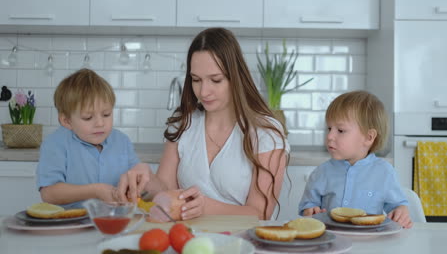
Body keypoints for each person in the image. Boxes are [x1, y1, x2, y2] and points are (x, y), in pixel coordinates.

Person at [117, 27, 290, 220]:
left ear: (236, 77)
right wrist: (146, 178)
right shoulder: (184, 124)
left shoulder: (266, 133)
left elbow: (260, 213)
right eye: (196, 80)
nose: (204, 91)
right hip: (189, 242)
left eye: (215, 80)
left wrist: (204, 206)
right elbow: (166, 191)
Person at [298, 90, 413, 228]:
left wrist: (401, 211)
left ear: (368, 137)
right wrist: (310, 211)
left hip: (370, 244)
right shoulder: (321, 173)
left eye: (340, 130)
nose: (329, 136)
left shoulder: (384, 172)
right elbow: (308, 206)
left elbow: (398, 206)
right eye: (329, 128)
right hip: (332, 240)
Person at [36, 69, 148, 209]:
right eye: (88, 117)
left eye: (106, 114)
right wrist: (96, 191)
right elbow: (49, 194)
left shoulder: (122, 141)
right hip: (69, 225)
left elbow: (138, 179)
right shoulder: (55, 144)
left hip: (116, 222)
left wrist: (139, 181)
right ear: (66, 121)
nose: (100, 123)